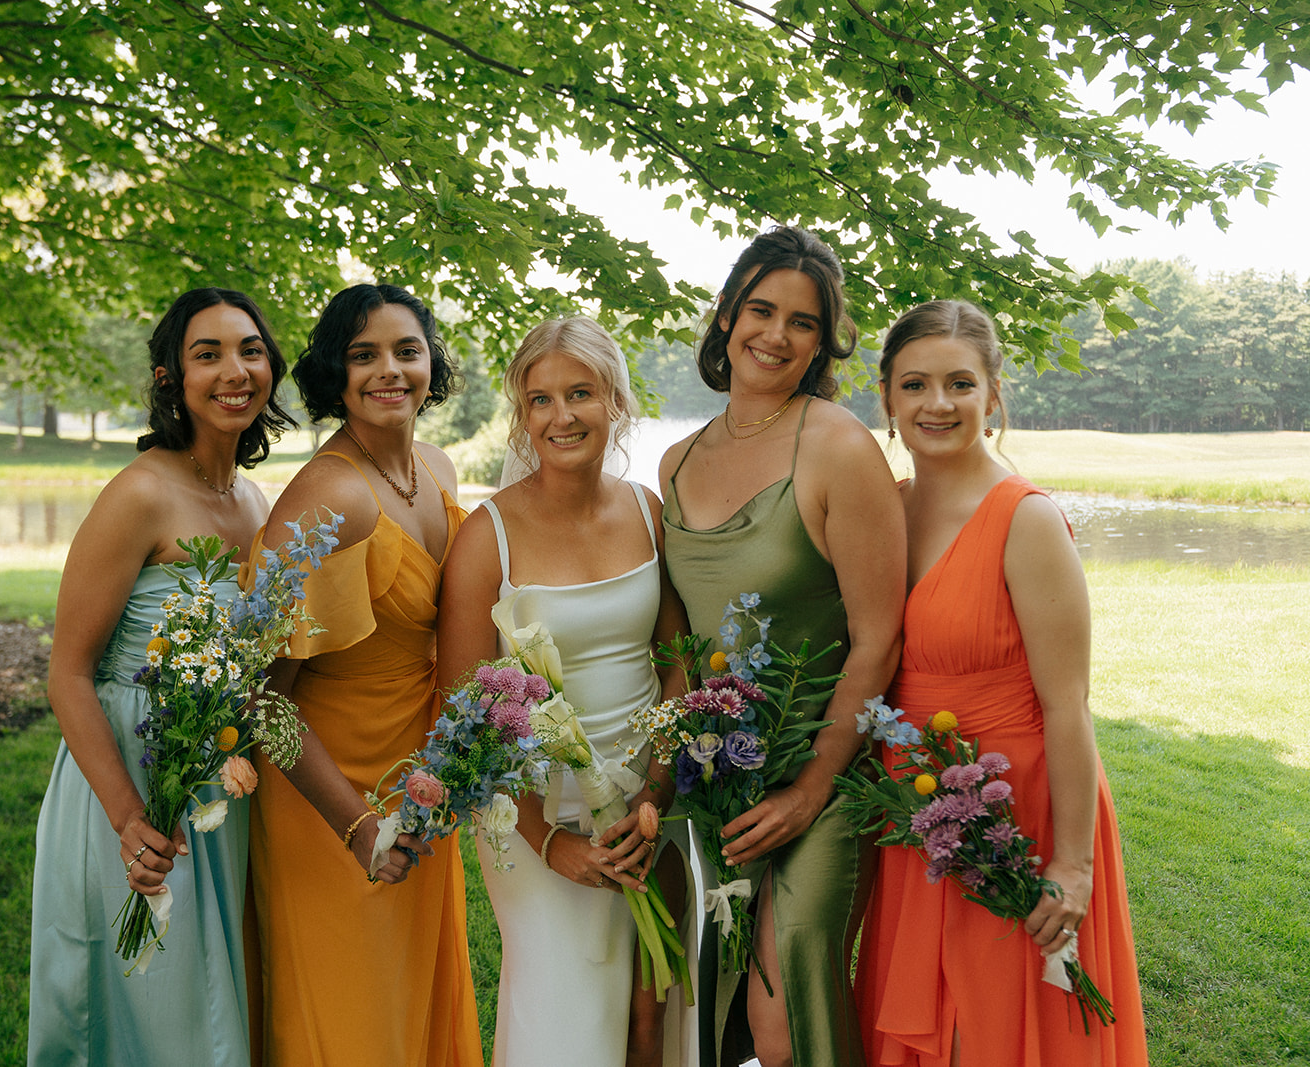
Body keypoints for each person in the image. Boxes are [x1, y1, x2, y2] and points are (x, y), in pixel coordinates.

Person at [854, 299, 1148, 1065]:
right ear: (886, 397)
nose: (938, 403)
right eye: (915, 384)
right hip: (911, 809)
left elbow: (1068, 706)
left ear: (993, 394)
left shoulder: (1027, 520)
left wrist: (1071, 866)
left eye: (960, 382)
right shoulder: (886, 508)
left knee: (998, 1024)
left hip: (1017, 807)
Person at [657, 224, 905, 1067]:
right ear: (725, 315)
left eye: (803, 321)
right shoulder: (676, 462)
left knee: (786, 1014)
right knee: (715, 1003)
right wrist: (671, 775)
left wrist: (810, 788)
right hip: (719, 776)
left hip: (823, 774)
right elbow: (686, 649)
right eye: (760, 309)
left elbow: (878, 639)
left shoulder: (838, 446)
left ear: (823, 340)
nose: (776, 334)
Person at [28, 287, 293, 1066]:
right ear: (171, 378)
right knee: (140, 1011)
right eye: (206, 354)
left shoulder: (254, 500)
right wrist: (130, 819)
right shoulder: (139, 493)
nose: (234, 369)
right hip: (127, 778)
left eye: (249, 350)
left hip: (211, 785)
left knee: (208, 1007)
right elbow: (67, 674)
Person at [437, 317, 697, 1067]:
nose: (562, 416)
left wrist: (656, 790)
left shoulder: (649, 511)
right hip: (536, 815)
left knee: (652, 1016)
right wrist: (552, 842)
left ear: (615, 399)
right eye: (541, 399)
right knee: (568, 1016)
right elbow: (466, 719)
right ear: (522, 416)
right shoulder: (488, 537)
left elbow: (675, 658)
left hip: (651, 802)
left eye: (580, 393)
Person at [247, 283, 482, 1066]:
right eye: (363, 354)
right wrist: (356, 827)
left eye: (407, 350)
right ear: (334, 375)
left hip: (418, 779)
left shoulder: (439, 467)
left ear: (430, 362)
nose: (390, 370)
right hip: (334, 799)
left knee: (410, 1011)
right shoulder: (332, 496)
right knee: (352, 1021)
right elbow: (258, 699)